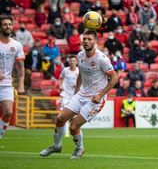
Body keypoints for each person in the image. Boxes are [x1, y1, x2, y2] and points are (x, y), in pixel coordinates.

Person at [40, 30, 118, 159]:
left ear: (95, 42)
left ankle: (79, 149)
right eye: (84, 39)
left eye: (89, 39)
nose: (86, 41)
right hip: (81, 94)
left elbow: (114, 78)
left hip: (95, 98)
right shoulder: (80, 55)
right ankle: (56, 146)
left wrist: (100, 95)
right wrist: (76, 92)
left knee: (74, 126)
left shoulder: (101, 59)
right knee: (60, 119)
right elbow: (81, 74)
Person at [0, 15, 25, 139]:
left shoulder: (17, 45)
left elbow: (21, 67)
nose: (7, 27)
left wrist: (21, 84)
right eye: (5, 24)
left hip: (6, 85)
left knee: (8, 112)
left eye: (9, 24)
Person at [59, 56, 79, 138]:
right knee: (65, 114)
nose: (72, 62)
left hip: (75, 96)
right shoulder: (65, 70)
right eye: (71, 61)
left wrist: (78, 85)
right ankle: (66, 133)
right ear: (69, 62)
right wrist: (61, 86)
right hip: (66, 95)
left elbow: (84, 81)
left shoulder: (79, 71)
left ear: (76, 62)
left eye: (74, 61)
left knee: (74, 116)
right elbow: (61, 78)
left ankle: (74, 131)